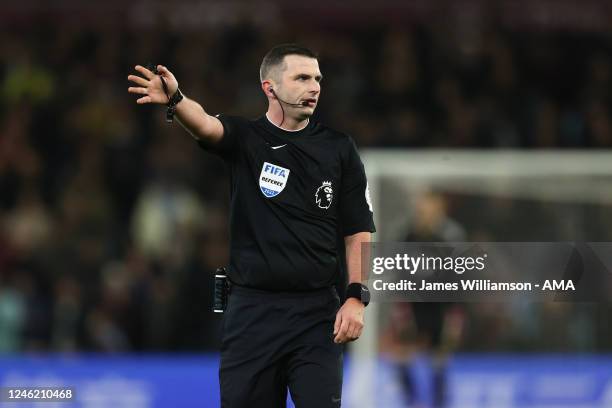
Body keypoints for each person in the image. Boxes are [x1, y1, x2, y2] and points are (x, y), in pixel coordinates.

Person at [128, 44, 375, 407]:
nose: (315, 87)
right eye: (302, 78)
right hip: (252, 312)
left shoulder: (339, 149)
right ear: (270, 87)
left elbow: (358, 230)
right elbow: (206, 124)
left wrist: (356, 296)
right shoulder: (246, 139)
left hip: (316, 314)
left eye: (318, 79)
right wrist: (176, 100)